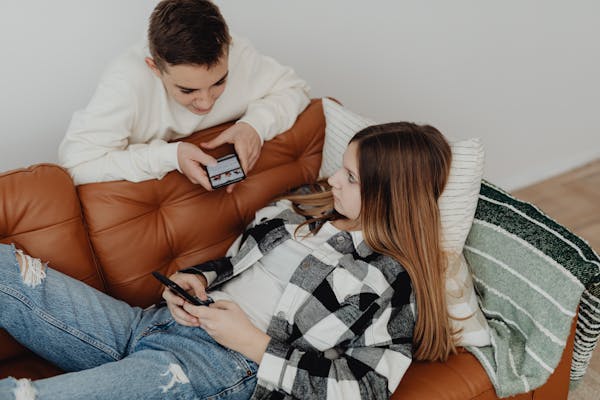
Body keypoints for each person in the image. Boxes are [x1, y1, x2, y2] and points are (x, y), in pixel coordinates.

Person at [0, 122, 456, 399]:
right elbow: (239, 264)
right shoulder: (307, 206)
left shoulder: (390, 279)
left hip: (224, 367)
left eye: (350, 177)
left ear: (388, 196)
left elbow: (365, 389)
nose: (333, 178)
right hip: (156, 323)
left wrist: (255, 344)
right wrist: (195, 279)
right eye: (341, 165)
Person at [58, 0, 310, 191]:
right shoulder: (125, 81)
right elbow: (77, 166)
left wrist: (254, 126)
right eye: (188, 90)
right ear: (154, 68)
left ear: (229, 46)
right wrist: (170, 156)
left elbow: (295, 89)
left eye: (219, 82)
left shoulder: (240, 53)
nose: (207, 102)